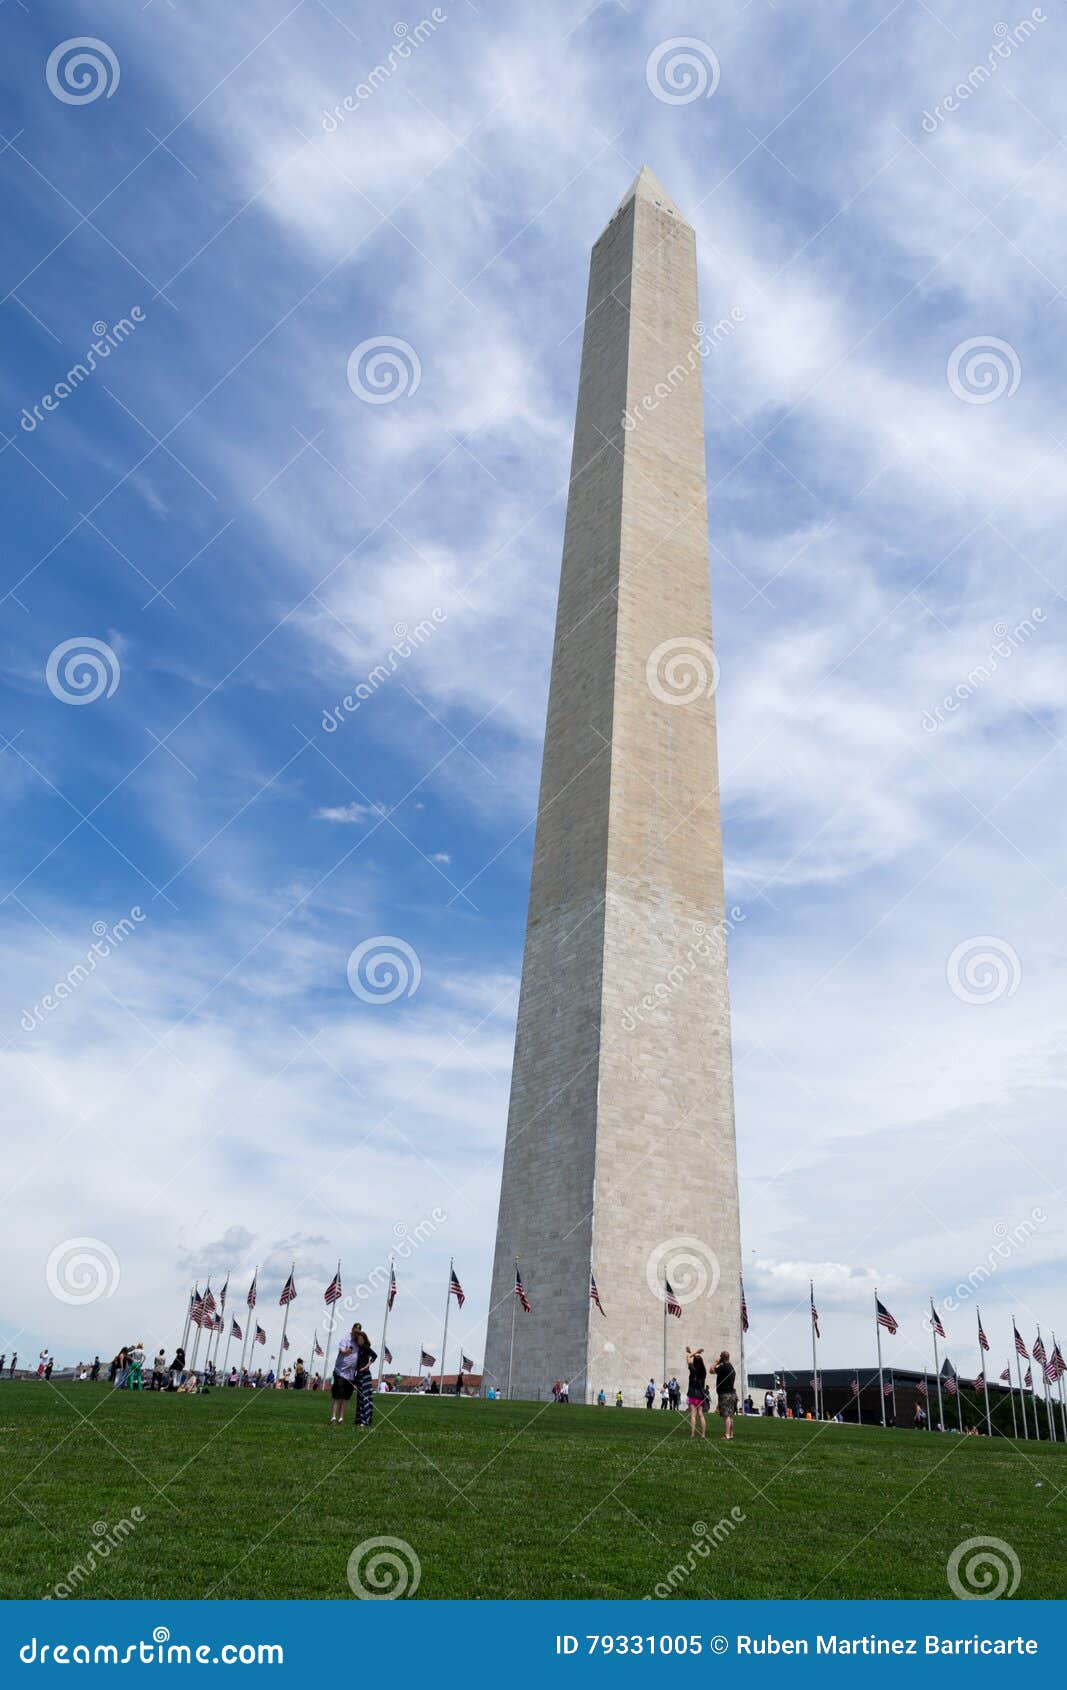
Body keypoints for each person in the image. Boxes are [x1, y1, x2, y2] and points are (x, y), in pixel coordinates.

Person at [330, 1325, 362, 1425]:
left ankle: (341, 1418)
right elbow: (342, 1350)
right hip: (340, 1372)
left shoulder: (359, 1342)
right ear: (352, 1330)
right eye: (355, 1331)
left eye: (358, 1332)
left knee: (346, 1397)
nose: (356, 1333)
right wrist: (346, 1351)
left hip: (351, 1375)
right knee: (337, 1395)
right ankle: (333, 1417)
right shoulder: (346, 1339)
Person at [354, 1330, 378, 1427]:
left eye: (361, 1339)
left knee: (365, 1397)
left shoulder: (365, 1348)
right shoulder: (358, 1349)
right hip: (358, 1375)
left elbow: (375, 1356)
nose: (359, 1340)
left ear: (364, 1339)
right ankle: (359, 1420)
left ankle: (365, 1420)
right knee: (359, 1398)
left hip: (365, 1375)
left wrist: (367, 1365)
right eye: (358, 1339)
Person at [714, 1349, 737, 1441]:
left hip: (724, 1394)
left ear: (722, 1358)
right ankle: (731, 1434)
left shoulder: (723, 1368)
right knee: (730, 1415)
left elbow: (711, 1370)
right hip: (732, 1394)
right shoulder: (731, 1368)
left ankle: (727, 1435)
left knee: (726, 1416)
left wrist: (716, 1362)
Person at [686, 1346, 708, 1440]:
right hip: (700, 1395)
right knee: (701, 1414)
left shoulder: (692, 1369)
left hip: (692, 1394)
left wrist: (695, 1352)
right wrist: (693, 1352)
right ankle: (703, 1434)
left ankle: (692, 1434)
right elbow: (694, 1358)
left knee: (693, 1415)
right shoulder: (703, 1372)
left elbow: (688, 1357)